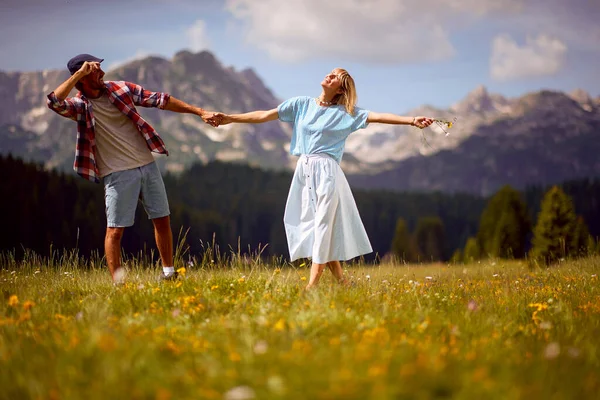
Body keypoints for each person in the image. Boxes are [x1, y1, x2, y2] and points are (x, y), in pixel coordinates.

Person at [210, 68, 434, 289]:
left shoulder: (347, 113)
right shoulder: (301, 104)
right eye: (331, 72)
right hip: (304, 171)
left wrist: (412, 120)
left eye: (336, 77)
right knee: (313, 227)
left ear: (340, 89)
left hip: (328, 173)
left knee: (323, 227)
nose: (330, 75)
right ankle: (345, 283)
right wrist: (229, 118)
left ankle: (312, 286)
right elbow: (263, 115)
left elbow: (378, 116)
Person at [47, 54, 217, 284]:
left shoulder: (120, 89)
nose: (103, 73)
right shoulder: (80, 106)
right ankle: (120, 284)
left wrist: (199, 112)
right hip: (116, 173)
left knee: (162, 219)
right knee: (115, 231)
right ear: (83, 77)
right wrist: (79, 74)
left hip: (147, 165)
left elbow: (161, 99)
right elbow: (54, 103)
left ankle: (169, 273)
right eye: (96, 71)